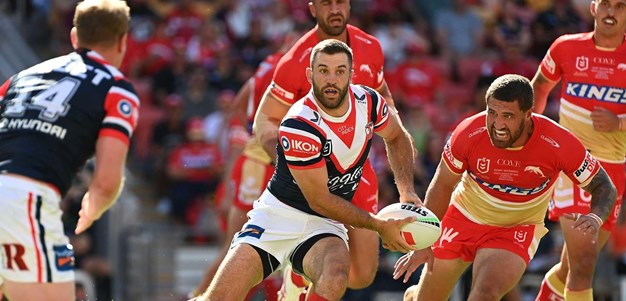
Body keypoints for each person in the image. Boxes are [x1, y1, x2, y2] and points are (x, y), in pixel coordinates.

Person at [196, 39, 420, 301]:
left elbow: (397, 136)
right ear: (310, 74)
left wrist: (406, 191)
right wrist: (379, 226)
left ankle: (296, 279)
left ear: (351, 73)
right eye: (323, 70)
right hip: (278, 218)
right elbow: (320, 200)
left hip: (322, 224)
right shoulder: (300, 123)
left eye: (340, 70)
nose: (332, 79)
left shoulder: (370, 102)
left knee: (337, 276)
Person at [393, 74, 617, 301]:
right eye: (492, 113)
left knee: (485, 294)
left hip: (514, 229)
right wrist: (423, 241)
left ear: (529, 114)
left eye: (508, 116)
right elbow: (442, 185)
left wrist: (595, 217)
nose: (497, 125)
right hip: (462, 218)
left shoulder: (558, 142)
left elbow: (603, 185)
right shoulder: (469, 132)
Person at [254, 0, 402, 297]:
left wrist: (389, 117)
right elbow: (264, 120)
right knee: (333, 269)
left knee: (361, 276)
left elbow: (382, 93)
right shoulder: (296, 61)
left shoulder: (370, 46)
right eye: (326, 3)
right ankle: (299, 275)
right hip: (315, 173)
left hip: (357, 170)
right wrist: (291, 163)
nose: (334, 9)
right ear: (312, 8)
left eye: (340, 2)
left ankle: (303, 275)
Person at [0, 1, 138, 301]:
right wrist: (94, 208)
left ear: (75, 37)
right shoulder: (117, 89)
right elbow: (105, 182)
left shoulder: (19, 78)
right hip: (25, 200)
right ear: (123, 41)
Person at [190, 24, 308, 299]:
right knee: (244, 246)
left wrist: (233, 157)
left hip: (262, 162)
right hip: (264, 163)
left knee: (252, 248)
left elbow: (239, 107)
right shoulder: (289, 68)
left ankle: (200, 295)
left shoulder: (268, 66)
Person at [531, 1, 626, 300]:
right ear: (594, 7)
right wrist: (529, 140)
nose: (611, 12)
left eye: (620, 6)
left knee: (571, 267)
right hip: (574, 165)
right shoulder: (566, 48)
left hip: (615, 168)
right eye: (606, 4)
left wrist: (619, 122)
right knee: (585, 264)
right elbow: (539, 88)